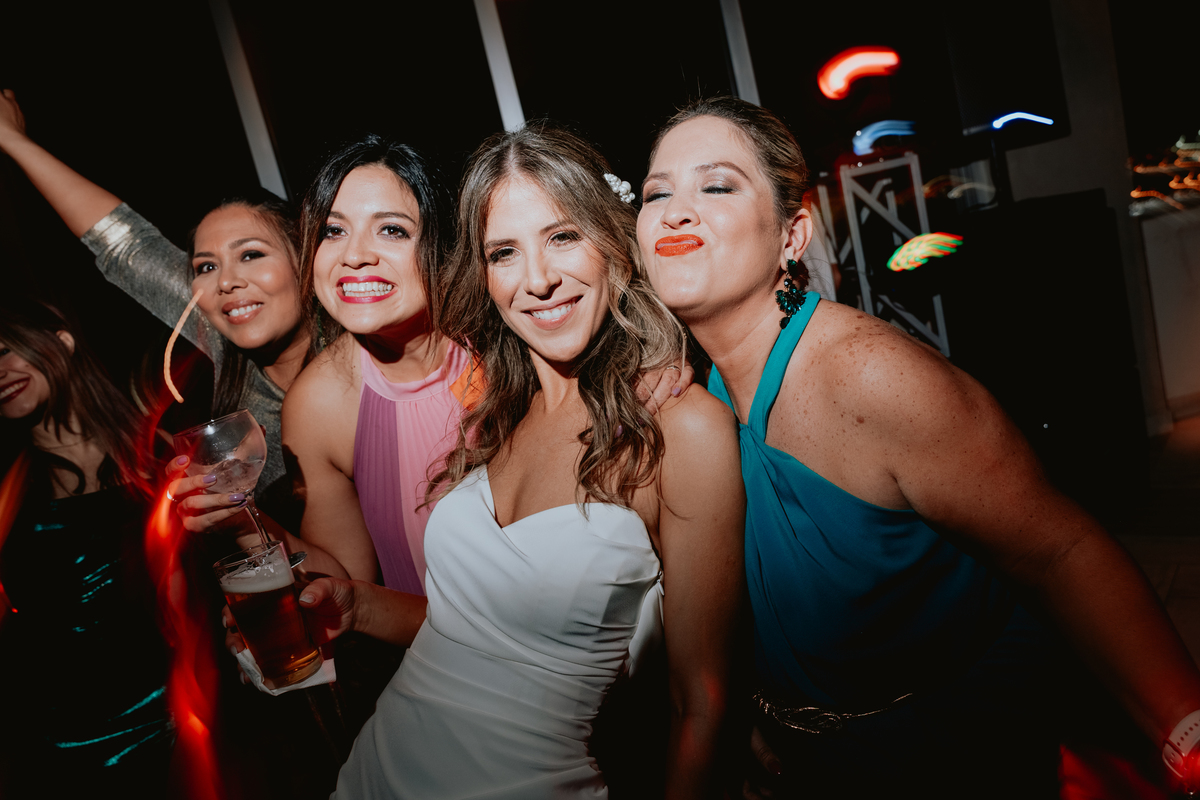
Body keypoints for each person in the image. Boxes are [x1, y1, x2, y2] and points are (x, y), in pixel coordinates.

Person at [636, 96, 1200, 798]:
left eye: (716, 185)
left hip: (954, 752)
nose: (676, 210)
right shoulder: (688, 398)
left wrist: (1185, 729)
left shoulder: (870, 376)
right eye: (657, 192)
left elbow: (1061, 552)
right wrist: (747, 708)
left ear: (791, 235)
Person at [285, 124, 744, 798]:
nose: (538, 279)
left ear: (614, 244)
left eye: (563, 237)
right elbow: (465, 629)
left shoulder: (680, 427)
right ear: (483, 275)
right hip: (372, 774)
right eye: (504, 251)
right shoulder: (496, 406)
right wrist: (353, 606)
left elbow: (703, 705)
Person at [0, 88, 313, 533]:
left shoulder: (367, 357)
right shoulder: (224, 334)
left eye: (251, 255)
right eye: (205, 266)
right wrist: (12, 140)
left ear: (307, 263)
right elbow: (124, 245)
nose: (225, 281)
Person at [0, 300, 174, 796]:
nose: (0, 371)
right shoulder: (10, 497)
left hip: (173, 717)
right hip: (61, 743)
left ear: (61, 340)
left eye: (7, 350)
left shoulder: (158, 452)